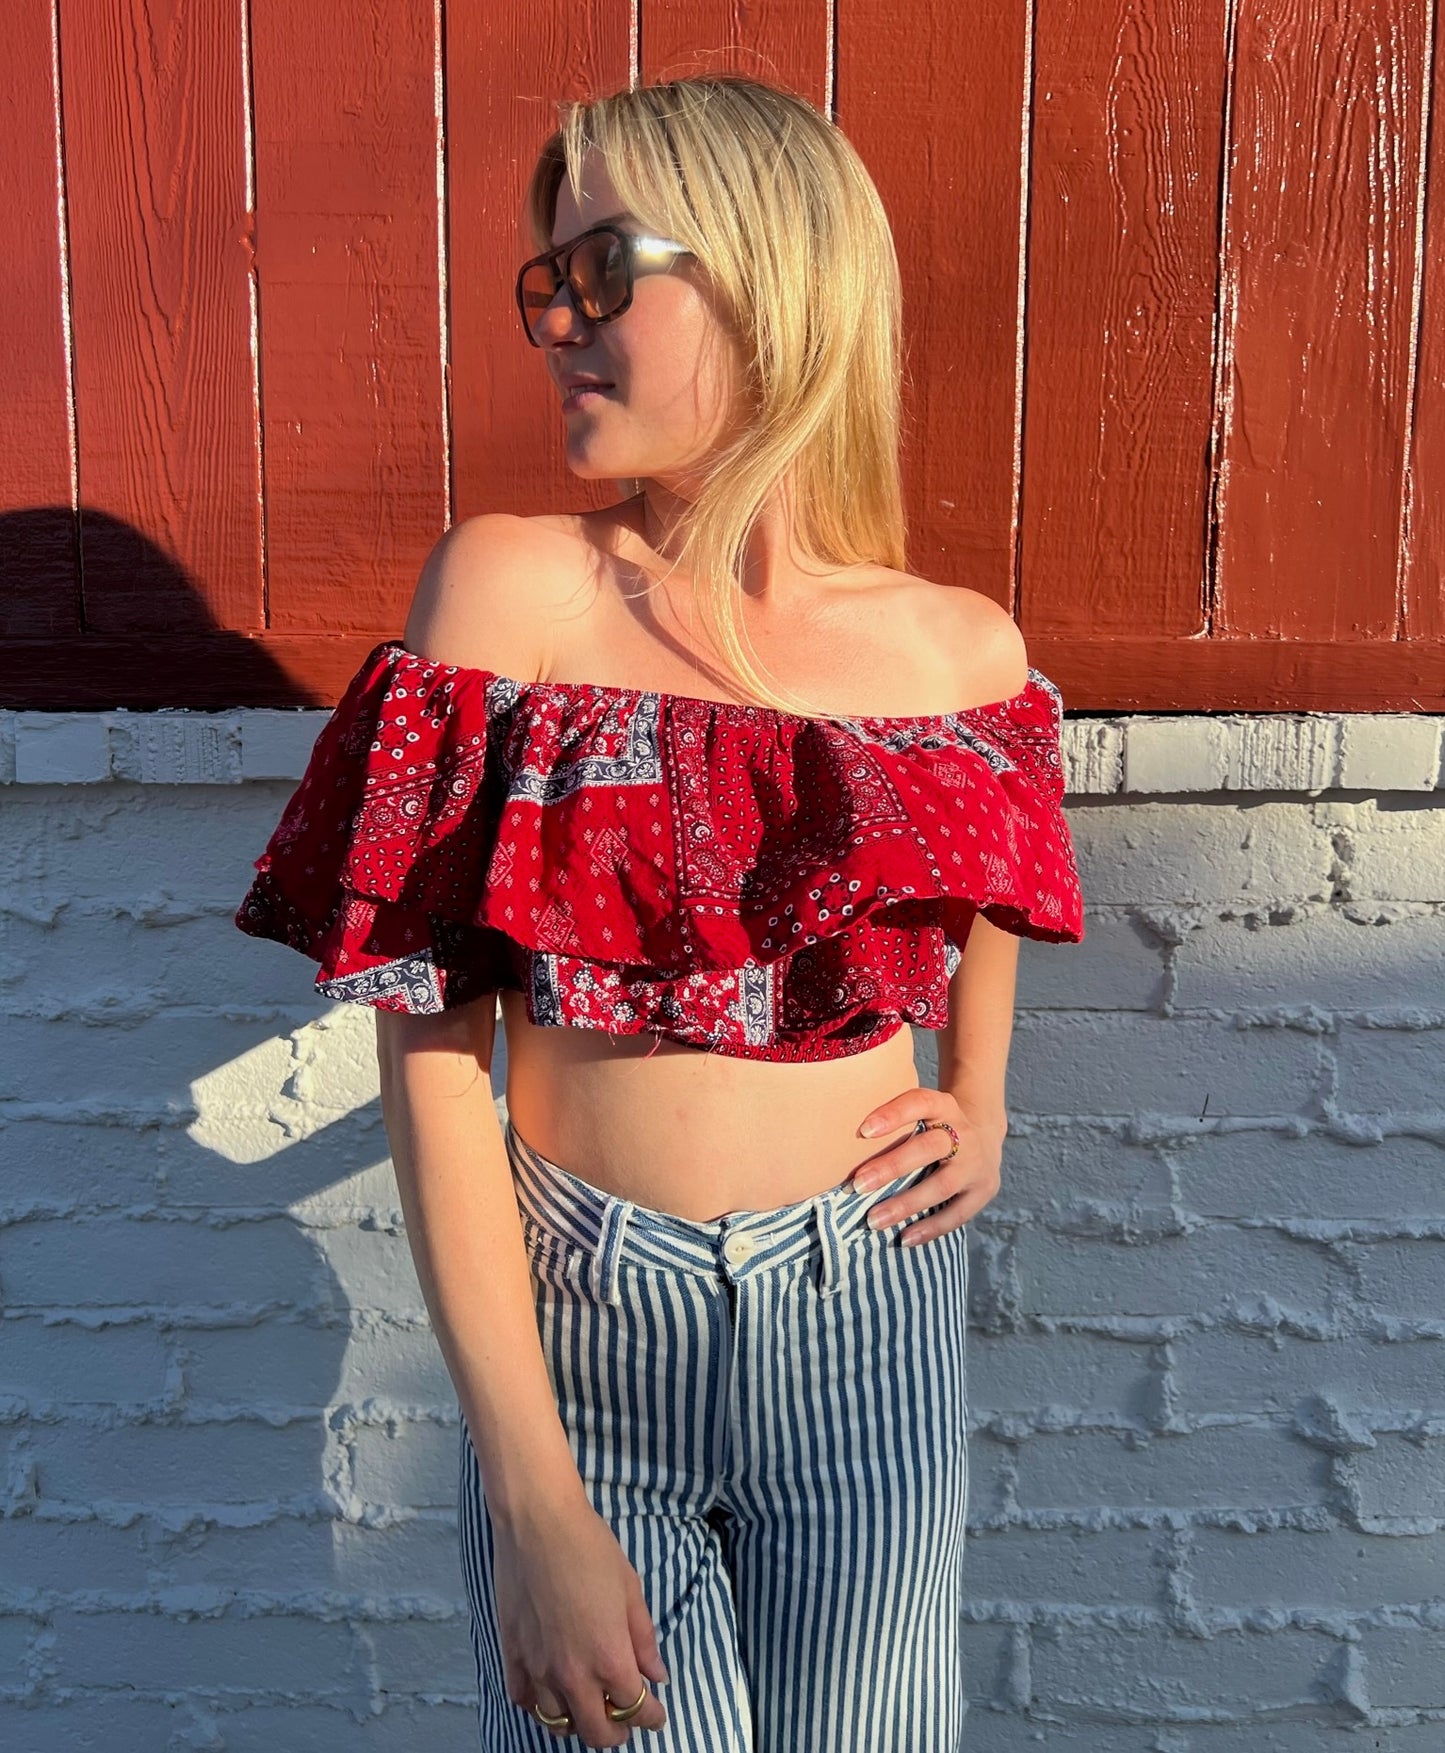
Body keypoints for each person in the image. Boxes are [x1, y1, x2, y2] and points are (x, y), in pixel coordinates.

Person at [235, 73, 1084, 1752]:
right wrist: (533, 1498)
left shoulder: (952, 647)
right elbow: (431, 1055)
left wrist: (980, 1097)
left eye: (602, 271)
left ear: (771, 281)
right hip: (585, 1330)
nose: (556, 320)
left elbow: (1005, 870)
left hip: (866, 1310)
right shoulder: (511, 591)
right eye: (544, 281)